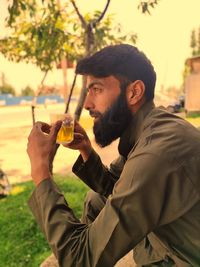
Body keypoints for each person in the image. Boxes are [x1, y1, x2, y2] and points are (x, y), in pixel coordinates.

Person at [27, 44, 200, 267]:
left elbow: (80, 260)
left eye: (97, 89)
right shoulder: (150, 128)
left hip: (181, 257)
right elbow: (117, 188)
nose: (88, 104)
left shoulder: (157, 152)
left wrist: (41, 170)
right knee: (94, 200)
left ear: (134, 92)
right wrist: (86, 151)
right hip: (172, 241)